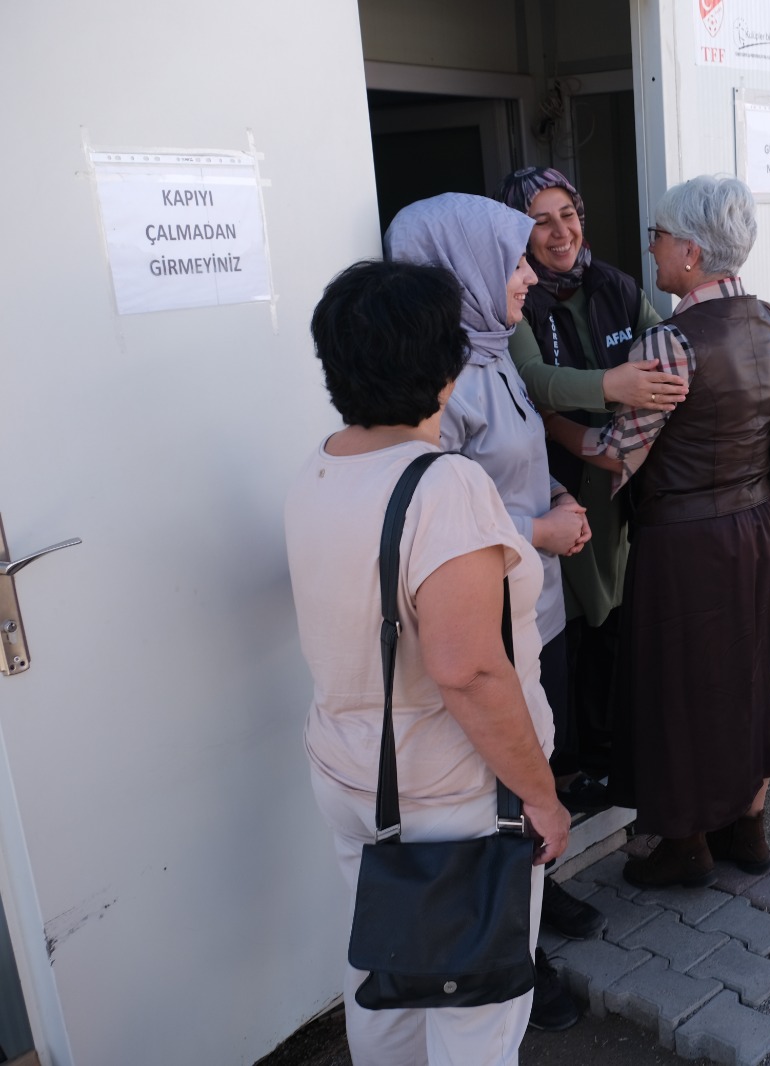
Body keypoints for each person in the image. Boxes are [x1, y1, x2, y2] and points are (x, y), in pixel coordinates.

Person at [286, 260, 571, 1064]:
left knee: (386, 980)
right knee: (475, 1017)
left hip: (352, 775)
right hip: (450, 798)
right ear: (447, 372)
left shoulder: (321, 466)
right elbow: (470, 669)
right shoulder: (444, 486)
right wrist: (541, 798)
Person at [545, 175, 770, 888]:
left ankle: (686, 845)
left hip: (683, 539)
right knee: (744, 674)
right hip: (757, 525)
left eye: (660, 237)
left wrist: (550, 419)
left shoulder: (669, 344)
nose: (652, 247)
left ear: (692, 255)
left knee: (678, 688)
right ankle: (749, 828)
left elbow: (619, 454)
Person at [382, 193, 586, 1028]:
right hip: (491, 616)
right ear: (459, 269)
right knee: (505, 789)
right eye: (509, 258)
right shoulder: (442, 382)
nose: (527, 271)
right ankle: (518, 968)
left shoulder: (498, 348)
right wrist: (538, 526)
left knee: (543, 755)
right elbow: (436, 504)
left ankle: (546, 897)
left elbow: (514, 463)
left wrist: (559, 493)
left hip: (538, 603)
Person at [500, 166, 675, 817]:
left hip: (618, 488)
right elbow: (535, 381)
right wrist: (610, 389)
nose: (559, 232)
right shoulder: (512, 299)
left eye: (567, 214)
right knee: (563, 631)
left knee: (612, 620)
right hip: (552, 494)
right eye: (540, 220)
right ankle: (567, 772)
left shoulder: (615, 286)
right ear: (518, 232)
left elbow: (667, 344)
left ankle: (605, 760)